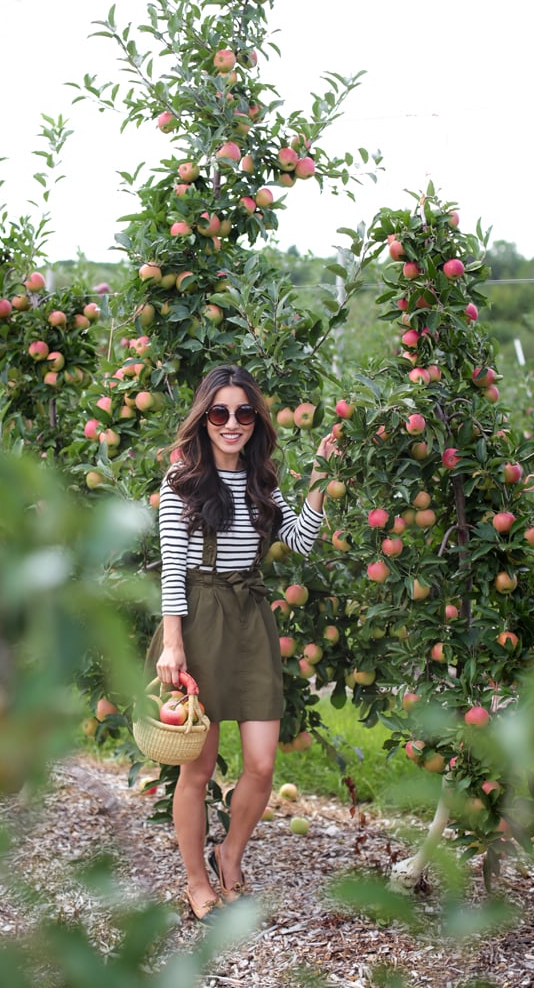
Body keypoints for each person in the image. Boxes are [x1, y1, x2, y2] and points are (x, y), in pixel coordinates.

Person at [152, 363, 338, 922]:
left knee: (260, 764)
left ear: (255, 420)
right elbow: (173, 568)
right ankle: (195, 881)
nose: (231, 423)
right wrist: (172, 643)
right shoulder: (182, 480)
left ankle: (229, 855)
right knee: (199, 768)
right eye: (219, 413)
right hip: (199, 619)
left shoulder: (262, 483)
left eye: (243, 413)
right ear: (204, 419)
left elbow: (301, 541)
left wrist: (320, 480)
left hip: (251, 619)